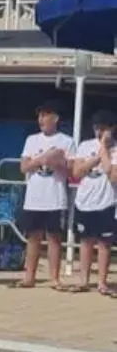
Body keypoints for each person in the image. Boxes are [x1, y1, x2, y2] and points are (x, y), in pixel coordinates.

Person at [11, 101, 74, 289]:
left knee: (54, 238)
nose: (41, 119)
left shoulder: (66, 141)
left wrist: (57, 161)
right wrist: (41, 159)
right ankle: (29, 276)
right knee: (33, 237)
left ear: (55, 118)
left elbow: (71, 169)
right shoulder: (32, 140)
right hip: (34, 197)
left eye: (45, 115)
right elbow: (24, 167)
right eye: (39, 116)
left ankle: (55, 278)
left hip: (55, 197)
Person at [66, 110, 116, 295]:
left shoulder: (116, 149)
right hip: (84, 201)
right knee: (85, 242)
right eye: (96, 128)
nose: (99, 132)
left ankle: (102, 282)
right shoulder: (85, 146)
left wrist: (104, 149)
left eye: (102, 128)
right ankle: (83, 281)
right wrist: (96, 158)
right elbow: (77, 172)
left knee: (104, 243)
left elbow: (112, 174)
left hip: (106, 202)